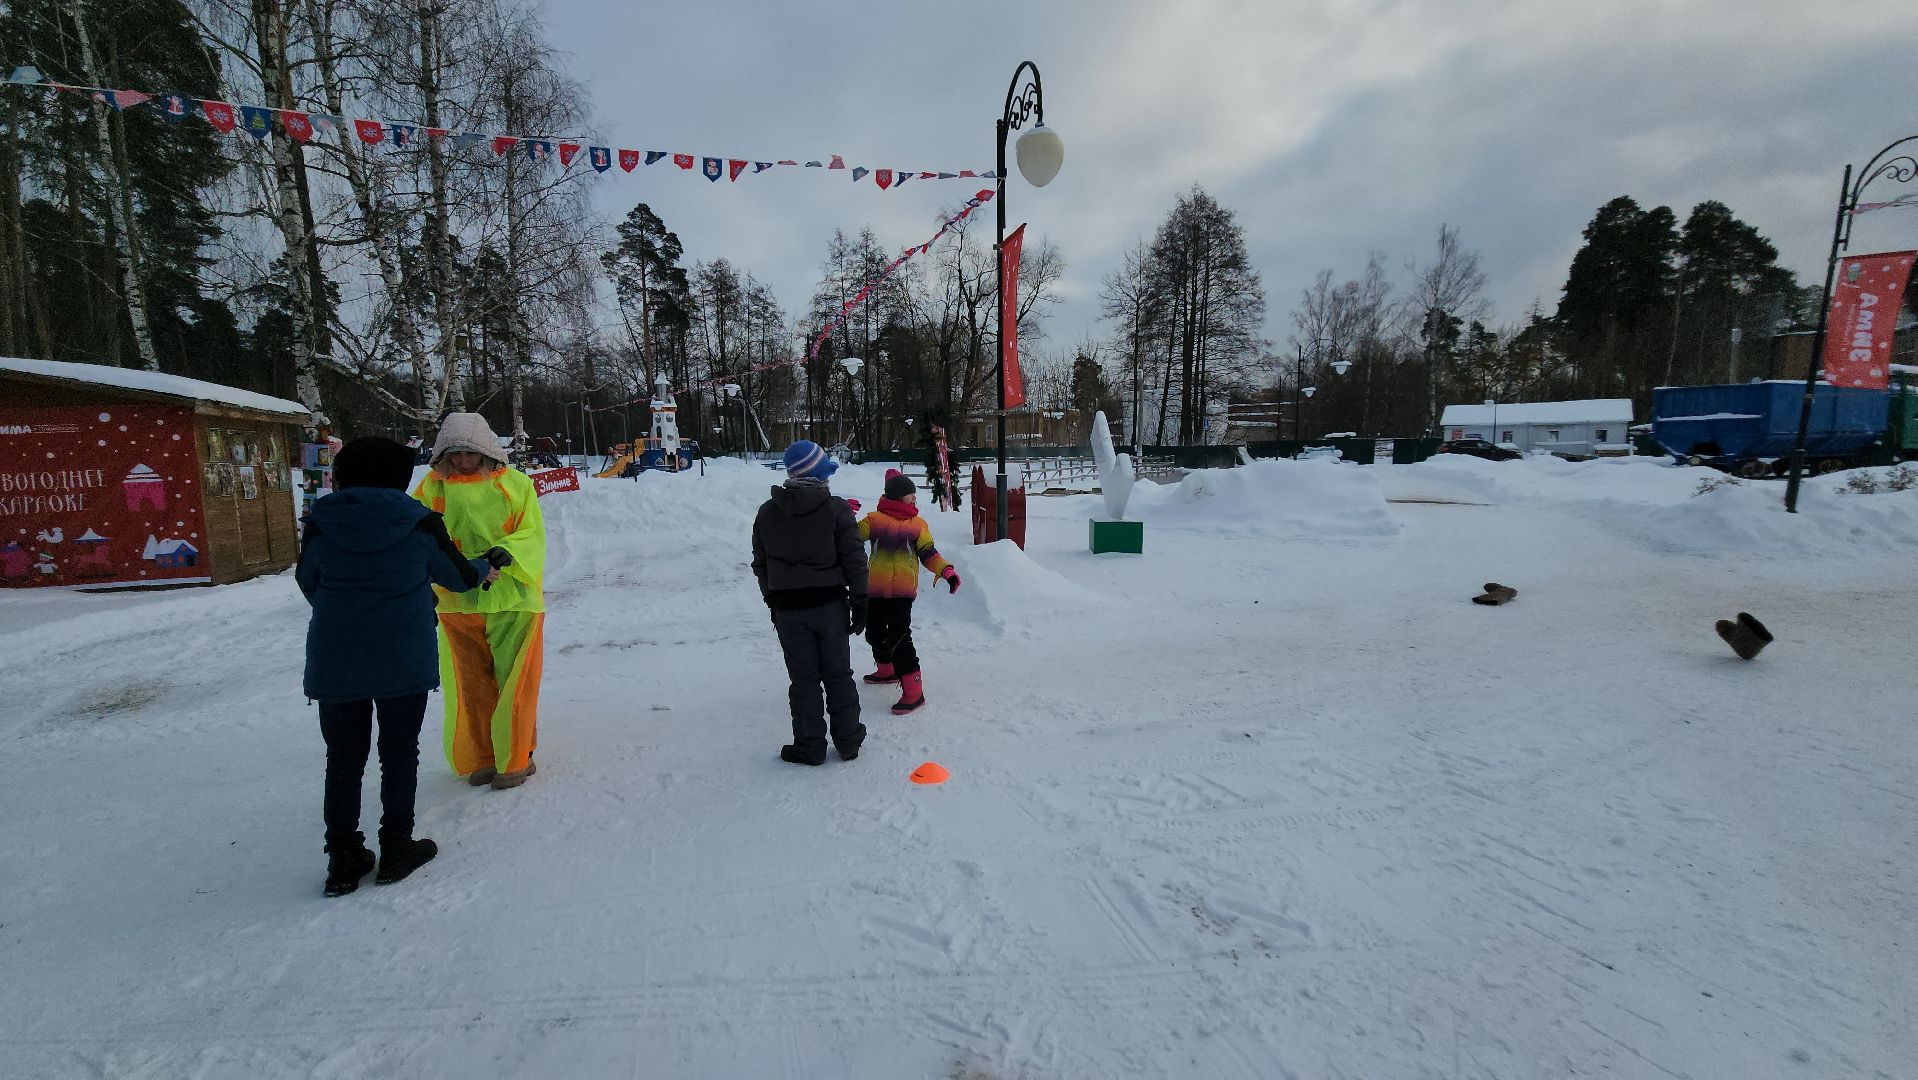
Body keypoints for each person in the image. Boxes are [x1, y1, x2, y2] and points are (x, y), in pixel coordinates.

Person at [297, 436, 497, 897]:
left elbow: (308, 581)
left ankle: (343, 860)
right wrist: (483, 566)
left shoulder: (322, 523)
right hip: (402, 657)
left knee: (344, 759)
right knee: (399, 753)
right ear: (400, 476)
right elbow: (459, 578)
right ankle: (396, 849)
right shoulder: (420, 523)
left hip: (336, 659)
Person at [412, 413, 548, 790]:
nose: (462, 461)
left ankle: (515, 759)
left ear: (485, 451)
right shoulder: (430, 489)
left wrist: (508, 550)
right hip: (457, 602)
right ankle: (485, 756)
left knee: (515, 682)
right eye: (454, 454)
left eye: (469, 453)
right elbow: (418, 537)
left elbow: (533, 531)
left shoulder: (515, 485)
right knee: (472, 686)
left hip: (514, 599)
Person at [752, 440, 869, 765]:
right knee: (838, 675)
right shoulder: (836, 509)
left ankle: (809, 745)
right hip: (830, 606)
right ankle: (848, 742)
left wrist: (772, 600)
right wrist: (860, 599)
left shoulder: (767, 512)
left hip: (789, 611)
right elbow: (854, 559)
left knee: (803, 680)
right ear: (819, 475)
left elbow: (760, 563)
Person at [857, 469, 961, 713]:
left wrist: (945, 570)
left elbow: (928, 554)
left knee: (899, 636)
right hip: (875, 588)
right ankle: (887, 669)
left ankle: (914, 691)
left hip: (902, 591)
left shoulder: (918, 525)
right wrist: (844, 516)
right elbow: (851, 535)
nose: (914, 498)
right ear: (896, 497)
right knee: (872, 632)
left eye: (914, 494)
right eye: (909, 495)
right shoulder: (874, 520)